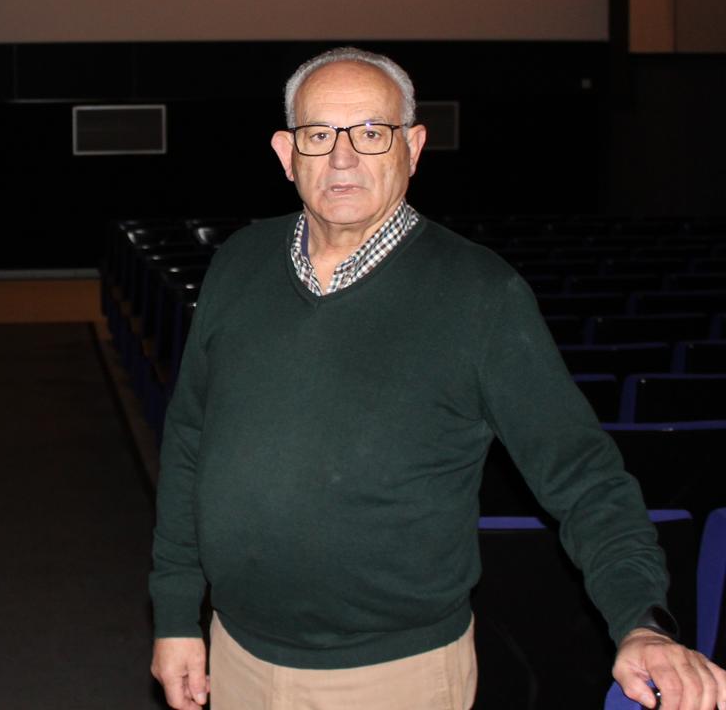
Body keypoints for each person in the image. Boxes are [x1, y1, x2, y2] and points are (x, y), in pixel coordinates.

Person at [148, 46, 726, 710]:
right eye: (318, 135)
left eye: (371, 132)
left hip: (396, 676)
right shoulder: (238, 263)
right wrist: (174, 612)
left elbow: (585, 475)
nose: (342, 157)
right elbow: (191, 441)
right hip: (237, 654)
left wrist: (641, 622)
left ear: (414, 147)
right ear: (286, 153)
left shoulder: (480, 295)